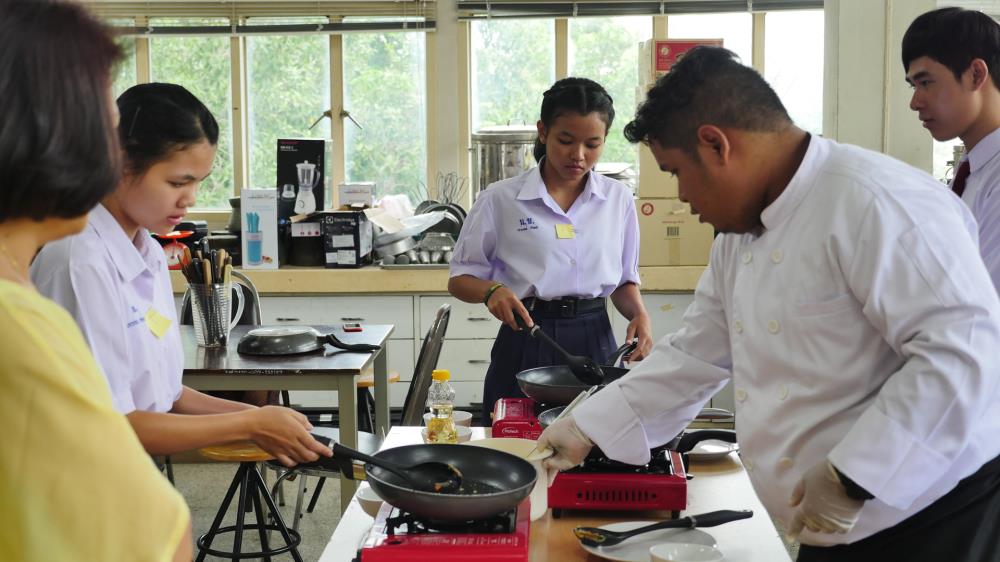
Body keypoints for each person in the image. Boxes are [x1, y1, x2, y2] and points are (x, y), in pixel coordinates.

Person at [538, 46, 1000, 562]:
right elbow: (696, 354)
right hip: (827, 520)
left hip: (931, 518)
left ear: (716, 145)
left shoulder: (879, 203)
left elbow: (966, 355)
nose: (683, 197)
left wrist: (852, 476)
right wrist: (587, 426)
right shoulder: (740, 233)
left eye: (676, 172)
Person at [30, 82, 331, 468]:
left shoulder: (150, 254)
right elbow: (110, 425)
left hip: (131, 470)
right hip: (74, 476)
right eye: (178, 182)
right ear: (120, 164)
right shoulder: (80, 262)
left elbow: (167, 396)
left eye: (198, 182)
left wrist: (265, 420)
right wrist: (250, 423)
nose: (190, 198)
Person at [0, 2, 192, 560]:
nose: (115, 161)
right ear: (41, 136)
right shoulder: (20, 323)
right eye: (107, 132)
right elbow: (148, 536)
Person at [448, 77, 652, 425]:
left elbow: (623, 280)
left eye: (593, 144)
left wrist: (640, 316)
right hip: (527, 334)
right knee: (513, 443)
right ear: (543, 132)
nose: (579, 155)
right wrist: (492, 291)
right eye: (566, 141)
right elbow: (460, 278)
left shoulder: (617, 199)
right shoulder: (500, 199)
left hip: (595, 339)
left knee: (595, 441)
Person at [903, 7, 1000, 293]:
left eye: (925, 82)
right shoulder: (972, 168)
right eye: (912, 85)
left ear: (975, 75)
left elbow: (984, 301)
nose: (914, 102)